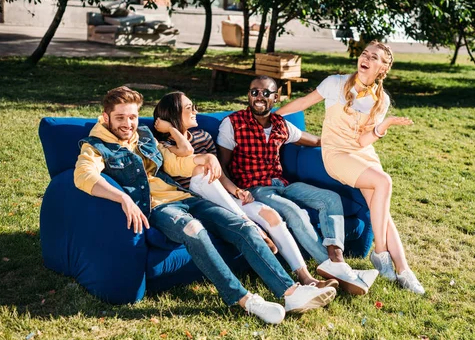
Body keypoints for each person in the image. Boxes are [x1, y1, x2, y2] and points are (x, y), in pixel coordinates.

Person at [73, 86, 337, 325]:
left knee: (243, 227)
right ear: (106, 118)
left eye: (132, 117)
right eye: (121, 118)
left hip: (185, 197)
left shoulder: (143, 135)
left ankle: (290, 292)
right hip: (159, 208)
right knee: (194, 230)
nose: (128, 124)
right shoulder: (96, 146)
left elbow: (175, 163)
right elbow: (84, 176)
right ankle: (245, 300)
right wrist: (123, 197)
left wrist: (205, 158)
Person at [276, 41, 425, 294]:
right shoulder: (335, 83)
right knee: (384, 182)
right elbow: (303, 102)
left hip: (362, 153)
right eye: (364, 53)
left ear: (382, 67)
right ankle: (379, 253)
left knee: (382, 212)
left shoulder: (382, 99)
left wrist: (383, 126)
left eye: (373, 57)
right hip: (336, 154)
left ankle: (404, 270)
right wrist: (273, 115)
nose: (365, 58)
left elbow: (363, 141)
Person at [152, 91, 338, 289]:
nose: (195, 111)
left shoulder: (203, 136)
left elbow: (219, 174)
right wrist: (172, 129)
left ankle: (306, 277)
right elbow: (187, 151)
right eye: (189, 108)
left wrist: (237, 190)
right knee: (200, 169)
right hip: (198, 200)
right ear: (173, 114)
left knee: (271, 215)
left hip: (222, 197)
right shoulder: (164, 146)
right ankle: (251, 225)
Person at [217, 76, 378, 295]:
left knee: (330, 198)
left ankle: (336, 259)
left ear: (276, 97)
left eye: (266, 93)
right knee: (295, 212)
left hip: (282, 184)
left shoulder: (280, 124)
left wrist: (344, 143)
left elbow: (313, 140)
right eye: (254, 92)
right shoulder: (233, 123)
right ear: (248, 95)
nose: (259, 97)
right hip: (255, 189)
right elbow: (222, 164)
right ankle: (331, 267)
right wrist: (235, 193)